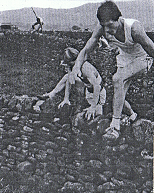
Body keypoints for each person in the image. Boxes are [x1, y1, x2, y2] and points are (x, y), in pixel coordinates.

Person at [68, 1, 154, 140]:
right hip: (124, 59)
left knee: (117, 78)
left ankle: (115, 127)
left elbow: (151, 49)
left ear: (119, 19)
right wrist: (76, 67)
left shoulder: (134, 28)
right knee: (119, 94)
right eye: (104, 26)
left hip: (142, 59)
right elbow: (86, 50)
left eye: (110, 25)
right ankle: (132, 116)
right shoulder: (102, 28)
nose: (107, 30)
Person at [34, 47, 106, 120]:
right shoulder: (71, 66)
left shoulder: (85, 67)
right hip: (87, 89)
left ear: (73, 61)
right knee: (67, 76)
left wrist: (93, 107)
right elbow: (69, 79)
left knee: (97, 116)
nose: (67, 66)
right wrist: (66, 98)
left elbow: (97, 86)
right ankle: (51, 94)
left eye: (68, 64)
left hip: (98, 93)